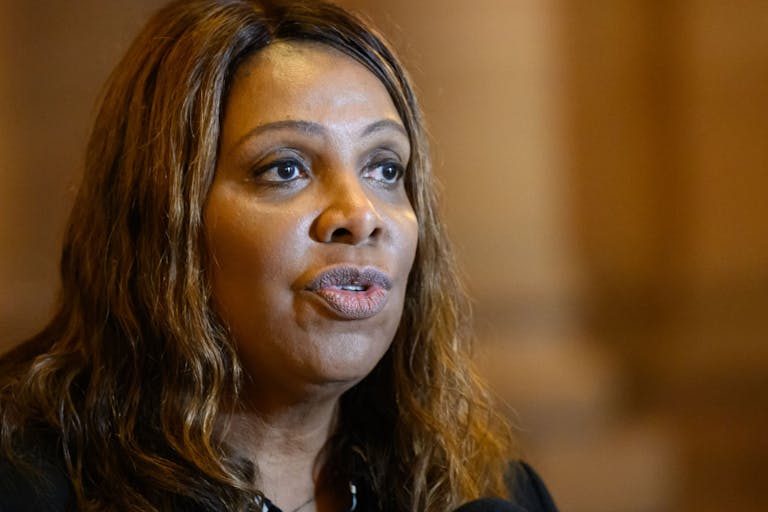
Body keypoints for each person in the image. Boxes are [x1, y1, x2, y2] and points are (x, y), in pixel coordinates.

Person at [0, 1, 558, 511]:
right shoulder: (28, 487)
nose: (361, 214)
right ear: (165, 218)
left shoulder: (495, 493)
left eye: (385, 168)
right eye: (285, 168)